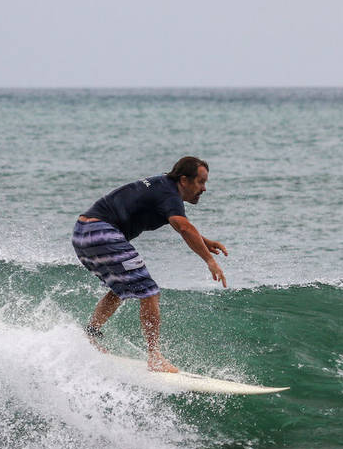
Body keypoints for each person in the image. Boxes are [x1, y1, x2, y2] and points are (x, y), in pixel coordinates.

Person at [71, 156, 227, 373]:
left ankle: (90, 334)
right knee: (149, 292)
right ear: (184, 180)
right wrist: (210, 261)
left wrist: (205, 242)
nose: (204, 189)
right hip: (101, 232)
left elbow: (181, 225)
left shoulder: (162, 186)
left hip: (82, 233)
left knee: (121, 289)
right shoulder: (170, 194)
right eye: (200, 182)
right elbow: (183, 227)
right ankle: (155, 357)